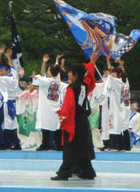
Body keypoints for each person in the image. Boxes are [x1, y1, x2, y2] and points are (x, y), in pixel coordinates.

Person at [51, 52, 99, 181]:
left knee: (70, 148)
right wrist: (92, 64)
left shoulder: (72, 88)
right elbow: (89, 78)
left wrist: (62, 115)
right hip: (83, 121)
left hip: (74, 121)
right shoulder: (84, 86)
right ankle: (88, 172)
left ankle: (64, 173)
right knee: (82, 148)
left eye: (70, 72)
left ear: (75, 74)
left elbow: (69, 106)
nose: (68, 74)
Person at [0, 46, 23, 150]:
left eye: (4, 70)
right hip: (7, 102)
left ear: (8, 71)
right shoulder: (10, 76)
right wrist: (6, 56)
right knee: (8, 124)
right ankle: (14, 143)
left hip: (7, 103)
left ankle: (0, 143)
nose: (1, 72)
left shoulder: (9, 78)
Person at [33, 54, 65, 151]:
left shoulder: (45, 81)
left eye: (48, 71)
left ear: (52, 73)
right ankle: (58, 144)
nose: (46, 72)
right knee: (56, 126)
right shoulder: (57, 79)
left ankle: (46, 144)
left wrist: (35, 76)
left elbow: (39, 77)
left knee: (45, 125)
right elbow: (55, 70)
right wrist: (56, 60)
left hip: (46, 106)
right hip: (55, 105)